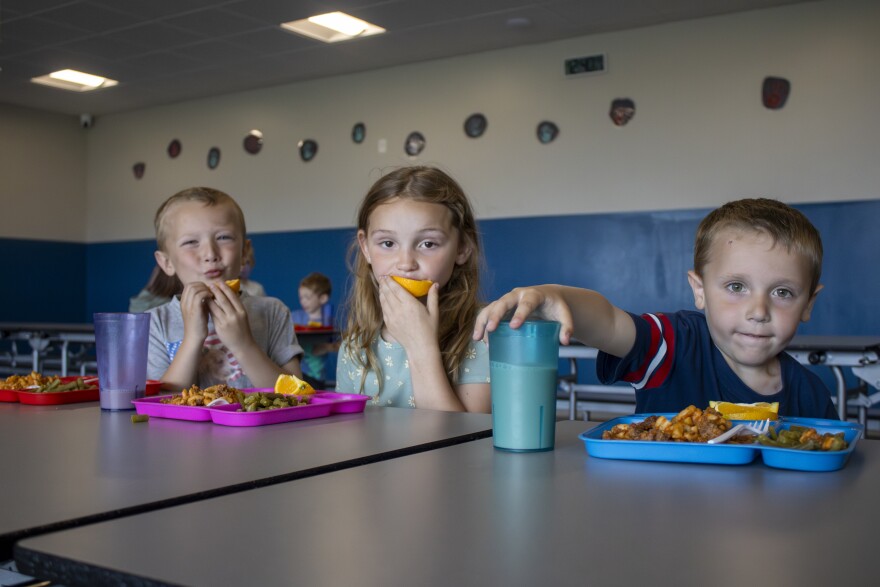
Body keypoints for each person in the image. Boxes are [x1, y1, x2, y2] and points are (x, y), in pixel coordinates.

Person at [474, 198, 837, 419]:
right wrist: (555, 297)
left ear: (809, 303)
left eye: (783, 293)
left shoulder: (812, 395)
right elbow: (610, 323)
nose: (759, 310)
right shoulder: (677, 345)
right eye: (736, 287)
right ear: (700, 291)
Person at [336, 166, 491, 412]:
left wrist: (420, 346)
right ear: (365, 248)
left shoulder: (483, 332)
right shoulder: (355, 347)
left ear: (462, 247)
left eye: (428, 243)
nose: (406, 263)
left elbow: (461, 443)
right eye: (388, 243)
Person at [147, 186, 303, 390]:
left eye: (223, 237)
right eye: (191, 242)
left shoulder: (273, 312)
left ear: (245, 252)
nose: (210, 253)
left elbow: (297, 395)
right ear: (166, 262)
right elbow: (161, 403)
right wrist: (193, 338)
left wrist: (243, 344)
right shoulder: (156, 323)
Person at [291, 272, 336, 387]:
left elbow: (340, 343)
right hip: (298, 373)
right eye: (301, 297)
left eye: (307, 297)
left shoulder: (328, 322)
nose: (303, 301)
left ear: (323, 298)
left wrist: (327, 347)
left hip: (318, 376)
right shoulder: (294, 317)